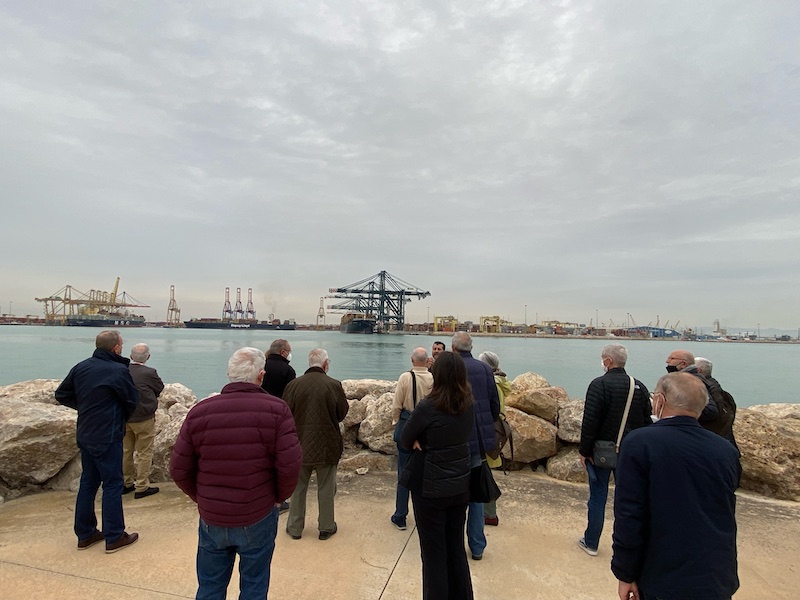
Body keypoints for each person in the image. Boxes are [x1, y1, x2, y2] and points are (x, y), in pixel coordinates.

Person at [170, 347, 302, 599]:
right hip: (257, 513)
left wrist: (202, 497)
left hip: (212, 517)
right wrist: (278, 497)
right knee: (254, 584)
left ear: (229, 374)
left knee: (210, 585)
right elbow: (290, 465)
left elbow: (178, 469)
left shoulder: (199, 412)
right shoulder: (277, 410)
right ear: (261, 376)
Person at [612, 372, 741, 600]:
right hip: (717, 572)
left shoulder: (640, 443)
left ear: (660, 401)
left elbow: (629, 514)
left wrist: (625, 572)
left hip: (663, 574)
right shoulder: (726, 450)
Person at [54, 330, 140, 553]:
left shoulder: (81, 367)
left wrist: (85, 407)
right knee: (112, 484)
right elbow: (132, 400)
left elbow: (61, 394)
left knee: (88, 483)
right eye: (121, 344)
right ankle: (114, 536)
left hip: (86, 433)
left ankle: (85, 534)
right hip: (108, 435)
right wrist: (118, 416)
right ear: (116, 348)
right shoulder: (119, 370)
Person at [400, 351, 474, 600]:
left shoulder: (428, 406)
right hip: (459, 485)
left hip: (430, 488)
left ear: (437, 374)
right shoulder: (468, 403)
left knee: (433, 553)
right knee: (455, 548)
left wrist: (419, 439)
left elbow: (405, 438)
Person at [578, 343, 651, 557]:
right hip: (631, 452)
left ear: (608, 361)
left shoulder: (599, 385)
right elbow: (646, 420)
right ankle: (626, 548)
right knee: (627, 500)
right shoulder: (638, 386)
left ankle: (591, 542)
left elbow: (590, 421)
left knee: (598, 497)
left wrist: (584, 451)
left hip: (601, 451)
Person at [283, 348, 349, 541]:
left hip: (299, 444)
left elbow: (286, 414)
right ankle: (326, 526)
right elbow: (341, 413)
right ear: (325, 363)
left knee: (298, 488)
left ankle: (295, 528)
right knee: (326, 488)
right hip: (327, 444)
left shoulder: (293, 385)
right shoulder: (333, 385)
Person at [451, 332, 500, 561]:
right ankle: (478, 546)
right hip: (479, 441)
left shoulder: (450, 368)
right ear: (471, 347)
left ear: (453, 348)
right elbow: (494, 406)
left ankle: (453, 543)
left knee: (454, 494)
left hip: (456, 441)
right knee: (477, 495)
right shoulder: (485, 369)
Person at [390, 347, 434, 530]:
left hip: (407, 424)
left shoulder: (405, 378)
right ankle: (427, 516)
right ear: (427, 361)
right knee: (427, 475)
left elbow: (396, 405)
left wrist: (396, 423)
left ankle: (400, 515)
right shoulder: (434, 379)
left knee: (404, 473)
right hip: (428, 430)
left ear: (412, 360)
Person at [665, 349, 735, 443]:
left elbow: (710, 411)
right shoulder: (710, 382)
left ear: (683, 364)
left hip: (700, 436)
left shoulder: (691, 383)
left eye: (671, 358)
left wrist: (681, 413)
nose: (667, 361)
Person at [123, 343, 164, 499]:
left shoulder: (123, 370)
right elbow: (159, 388)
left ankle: (126, 483)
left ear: (131, 356)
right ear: (148, 357)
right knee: (144, 452)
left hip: (125, 416)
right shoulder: (150, 372)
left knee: (126, 451)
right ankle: (141, 486)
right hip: (144, 417)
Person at [260, 338, 296, 513]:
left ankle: (262, 497)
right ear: (283, 352)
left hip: (258, 418)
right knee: (278, 460)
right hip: (278, 420)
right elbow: (290, 397)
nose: (290, 353)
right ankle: (280, 501)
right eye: (288, 350)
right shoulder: (287, 370)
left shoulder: (261, 367)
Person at [478, 351, 511, 527]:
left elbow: (490, 410)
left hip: (487, 432)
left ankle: (489, 513)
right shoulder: (501, 382)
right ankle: (488, 513)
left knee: (484, 476)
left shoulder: (492, 383)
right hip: (496, 432)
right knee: (485, 474)